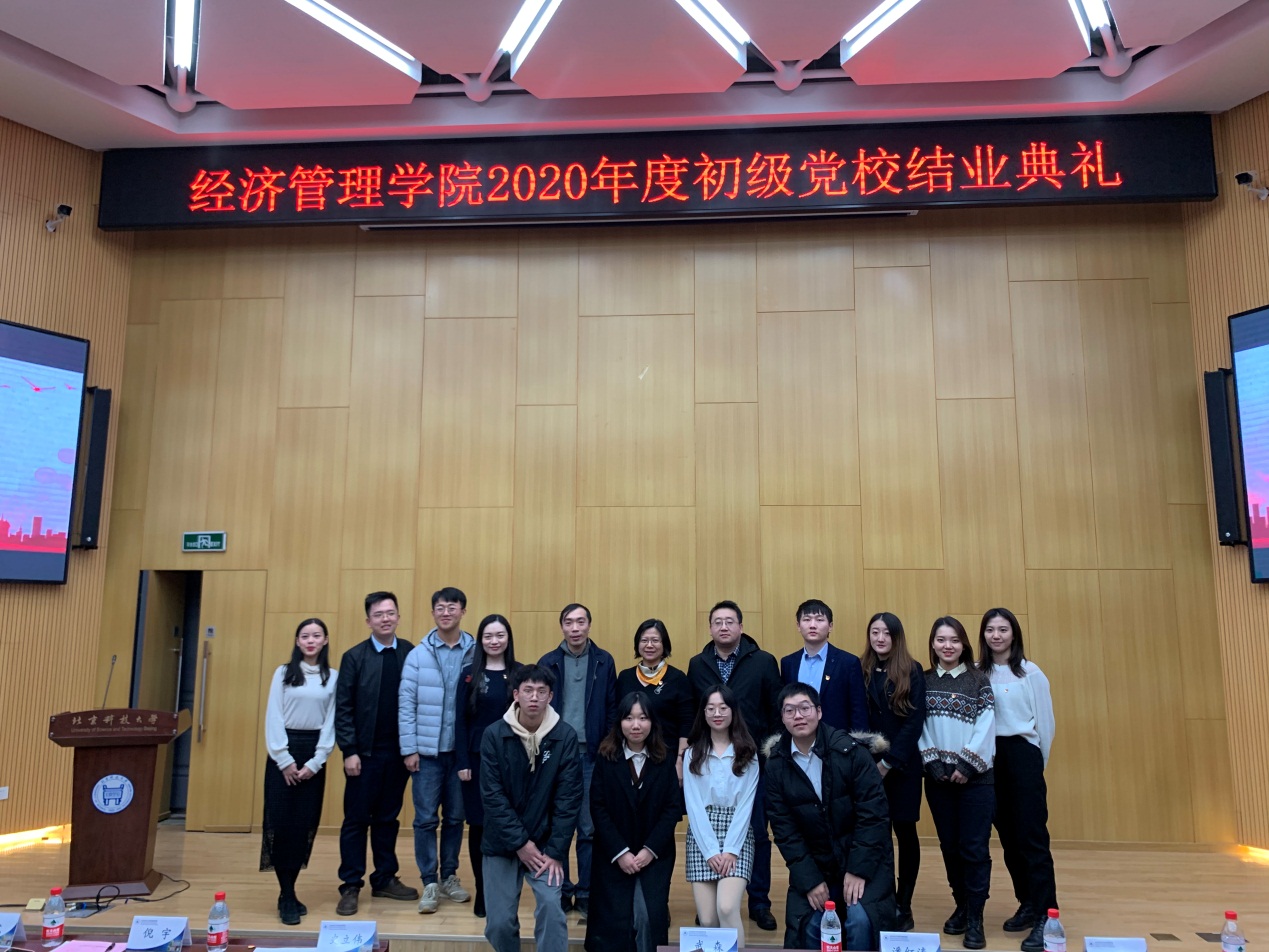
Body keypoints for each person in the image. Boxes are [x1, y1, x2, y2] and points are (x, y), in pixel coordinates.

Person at [765, 682, 898, 951]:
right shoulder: (776, 765)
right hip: (816, 865)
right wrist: (810, 880)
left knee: (861, 920)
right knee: (810, 924)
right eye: (789, 710)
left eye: (805, 708)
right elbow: (785, 832)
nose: (798, 716)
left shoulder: (851, 752)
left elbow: (874, 816)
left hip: (864, 860)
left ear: (819, 711)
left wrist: (858, 870)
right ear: (782, 718)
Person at [686, 600, 782, 932]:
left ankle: (759, 902)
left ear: (741, 626)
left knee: (756, 833)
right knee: (709, 830)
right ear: (710, 628)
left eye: (730, 621)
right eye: (717, 622)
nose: (724, 627)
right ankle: (711, 903)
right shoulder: (698, 664)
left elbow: (775, 712)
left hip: (753, 761)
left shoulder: (763, 661)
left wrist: (770, 756)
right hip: (710, 758)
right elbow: (694, 711)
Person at [480, 664, 583, 952]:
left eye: (541, 691)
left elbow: (569, 799)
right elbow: (492, 796)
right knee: (499, 923)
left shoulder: (565, 736)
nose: (534, 697)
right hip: (501, 843)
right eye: (528, 690)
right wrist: (520, 843)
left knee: (551, 908)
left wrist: (556, 851)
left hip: (546, 845)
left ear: (551, 696)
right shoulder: (494, 734)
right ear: (516, 695)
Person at [977, 608, 1057, 952]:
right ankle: (1027, 902)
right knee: (1008, 839)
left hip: (1023, 757)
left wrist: (1035, 765)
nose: (996, 636)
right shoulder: (978, 673)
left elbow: (1046, 724)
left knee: (1032, 839)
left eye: (1003, 629)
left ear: (1014, 634)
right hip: (990, 760)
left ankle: (1047, 917)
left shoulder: (1030, 672)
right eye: (990, 630)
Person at [334, 592, 419, 915]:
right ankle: (350, 885)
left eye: (391, 613)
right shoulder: (354, 657)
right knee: (356, 820)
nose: (386, 618)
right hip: (364, 755)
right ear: (368, 620)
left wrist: (412, 749)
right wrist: (349, 750)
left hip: (399, 754)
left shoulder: (410, 653)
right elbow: (343, 708)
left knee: (387, 819)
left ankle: (384, 878)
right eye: (379, 614)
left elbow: (418, 700)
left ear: (398, 616)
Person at [919, 616, 995, 951]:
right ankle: (961, 905)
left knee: (974, 848)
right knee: (949, 846)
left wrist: (966, 765)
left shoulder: (979, 680)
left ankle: (976, 917)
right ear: (933, 644)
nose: (947, 646)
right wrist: (932, 762)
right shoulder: (923, 681)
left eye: (954, 640)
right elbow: (918, 726)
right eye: (941, 640)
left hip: (976, 780)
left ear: (964, 644)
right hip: (938, 779)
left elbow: (986, 727)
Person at [585, 691, 682, 952]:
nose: (636, 725)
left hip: (654, 854)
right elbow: (598, 807)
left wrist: (650, 850)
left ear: (652, 722)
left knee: (647, 917)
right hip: (613, 854)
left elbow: (672, 809)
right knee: (616, 922)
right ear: (620, 722)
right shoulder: (606, 757)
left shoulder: (665, 758)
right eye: (629, 718)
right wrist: (621, 852)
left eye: (643, 718)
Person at [398, 586, 475, 913]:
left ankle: (449, 877)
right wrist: (409, 749)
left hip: (460, 754)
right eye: (440, 608)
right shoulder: (418, 655)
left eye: (452, 607)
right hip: (427, 754)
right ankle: (429, 880)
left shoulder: (475, 652)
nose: (446, 613)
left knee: (456, 818)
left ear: (462, 611)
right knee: (426, 819)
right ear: (433, 613)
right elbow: (406, 705)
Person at [538, 602, 617, 918]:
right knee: (558, 827)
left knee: (588, 829)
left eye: (580, 621)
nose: (575, 628)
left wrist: (607, 745)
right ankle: (561, 889)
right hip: (555, 755)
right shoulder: (548, 662)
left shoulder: (603, 661)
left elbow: (611, 707)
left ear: (589, 625)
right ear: (562, 627)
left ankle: (585, 892)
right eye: (569, 622)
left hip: (591, 755)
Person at [261, 618, 339, 925]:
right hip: (283, 753)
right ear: (297, 641)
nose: (310, 640)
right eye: (305, 636)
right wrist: (283, 759)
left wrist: (316, 761)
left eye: (316, 635)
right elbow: (274, 715)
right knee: (281, 825)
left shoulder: (333, 677)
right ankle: (286, 894)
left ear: (325, 640)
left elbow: (331, 721)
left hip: (313, 754)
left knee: (303, 826)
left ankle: (289, 890)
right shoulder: (283, 673)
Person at [861, 612, 926, 931]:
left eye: (887, 633)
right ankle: (881, 898)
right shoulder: (860, 669)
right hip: (866, 767)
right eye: (875, 632)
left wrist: (888, 762)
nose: (880, 638)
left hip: (902, 767)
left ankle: (904, 904)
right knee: (875, 833)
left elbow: (915, 721)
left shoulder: (912, 670)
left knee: (905, 832)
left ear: (896, 637)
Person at [683, 684, 760, 948]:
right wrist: (710, 851)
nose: (717, 713)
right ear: (703, 713)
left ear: (733, 711)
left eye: (723, 707)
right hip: (702, 836)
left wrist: (730, 850)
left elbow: (746, 805)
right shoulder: (692, 753)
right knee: (707, 919)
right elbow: (693, 805)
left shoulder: (748, 752)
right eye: (711, 708)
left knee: (727, 907)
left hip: (737, 836)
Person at [455, 613, 520, 919]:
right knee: (479, 825)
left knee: (508, 824)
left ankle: (504, 892)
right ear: (480, 641)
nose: (494, 641)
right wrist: (462, 761)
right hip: (476, 760)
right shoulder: (469, 675)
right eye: (488, 636)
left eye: (500, 635)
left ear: (508, 638)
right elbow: (459, 721)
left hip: (512, 761)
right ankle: (482, 891)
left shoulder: (520, 674)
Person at [779, 599, 869, 732]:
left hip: (837, 738)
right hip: (798, 737)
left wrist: (858, 741)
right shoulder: (788, 663)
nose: (812, 625)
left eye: (819, 620)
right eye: (807, 619)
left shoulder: (848, 662)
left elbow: (858, 709)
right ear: (798, 626)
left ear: (830, 626)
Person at [614, 619, 694, 763]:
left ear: (664, 644)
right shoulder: (625, 677)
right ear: (637, 644)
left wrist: (680, 760)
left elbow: (686, 723)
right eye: (644, 640)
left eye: (655, 640)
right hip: (630, 757)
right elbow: (618, 718)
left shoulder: (678, 678)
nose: (649, 645)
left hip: (668, 757)